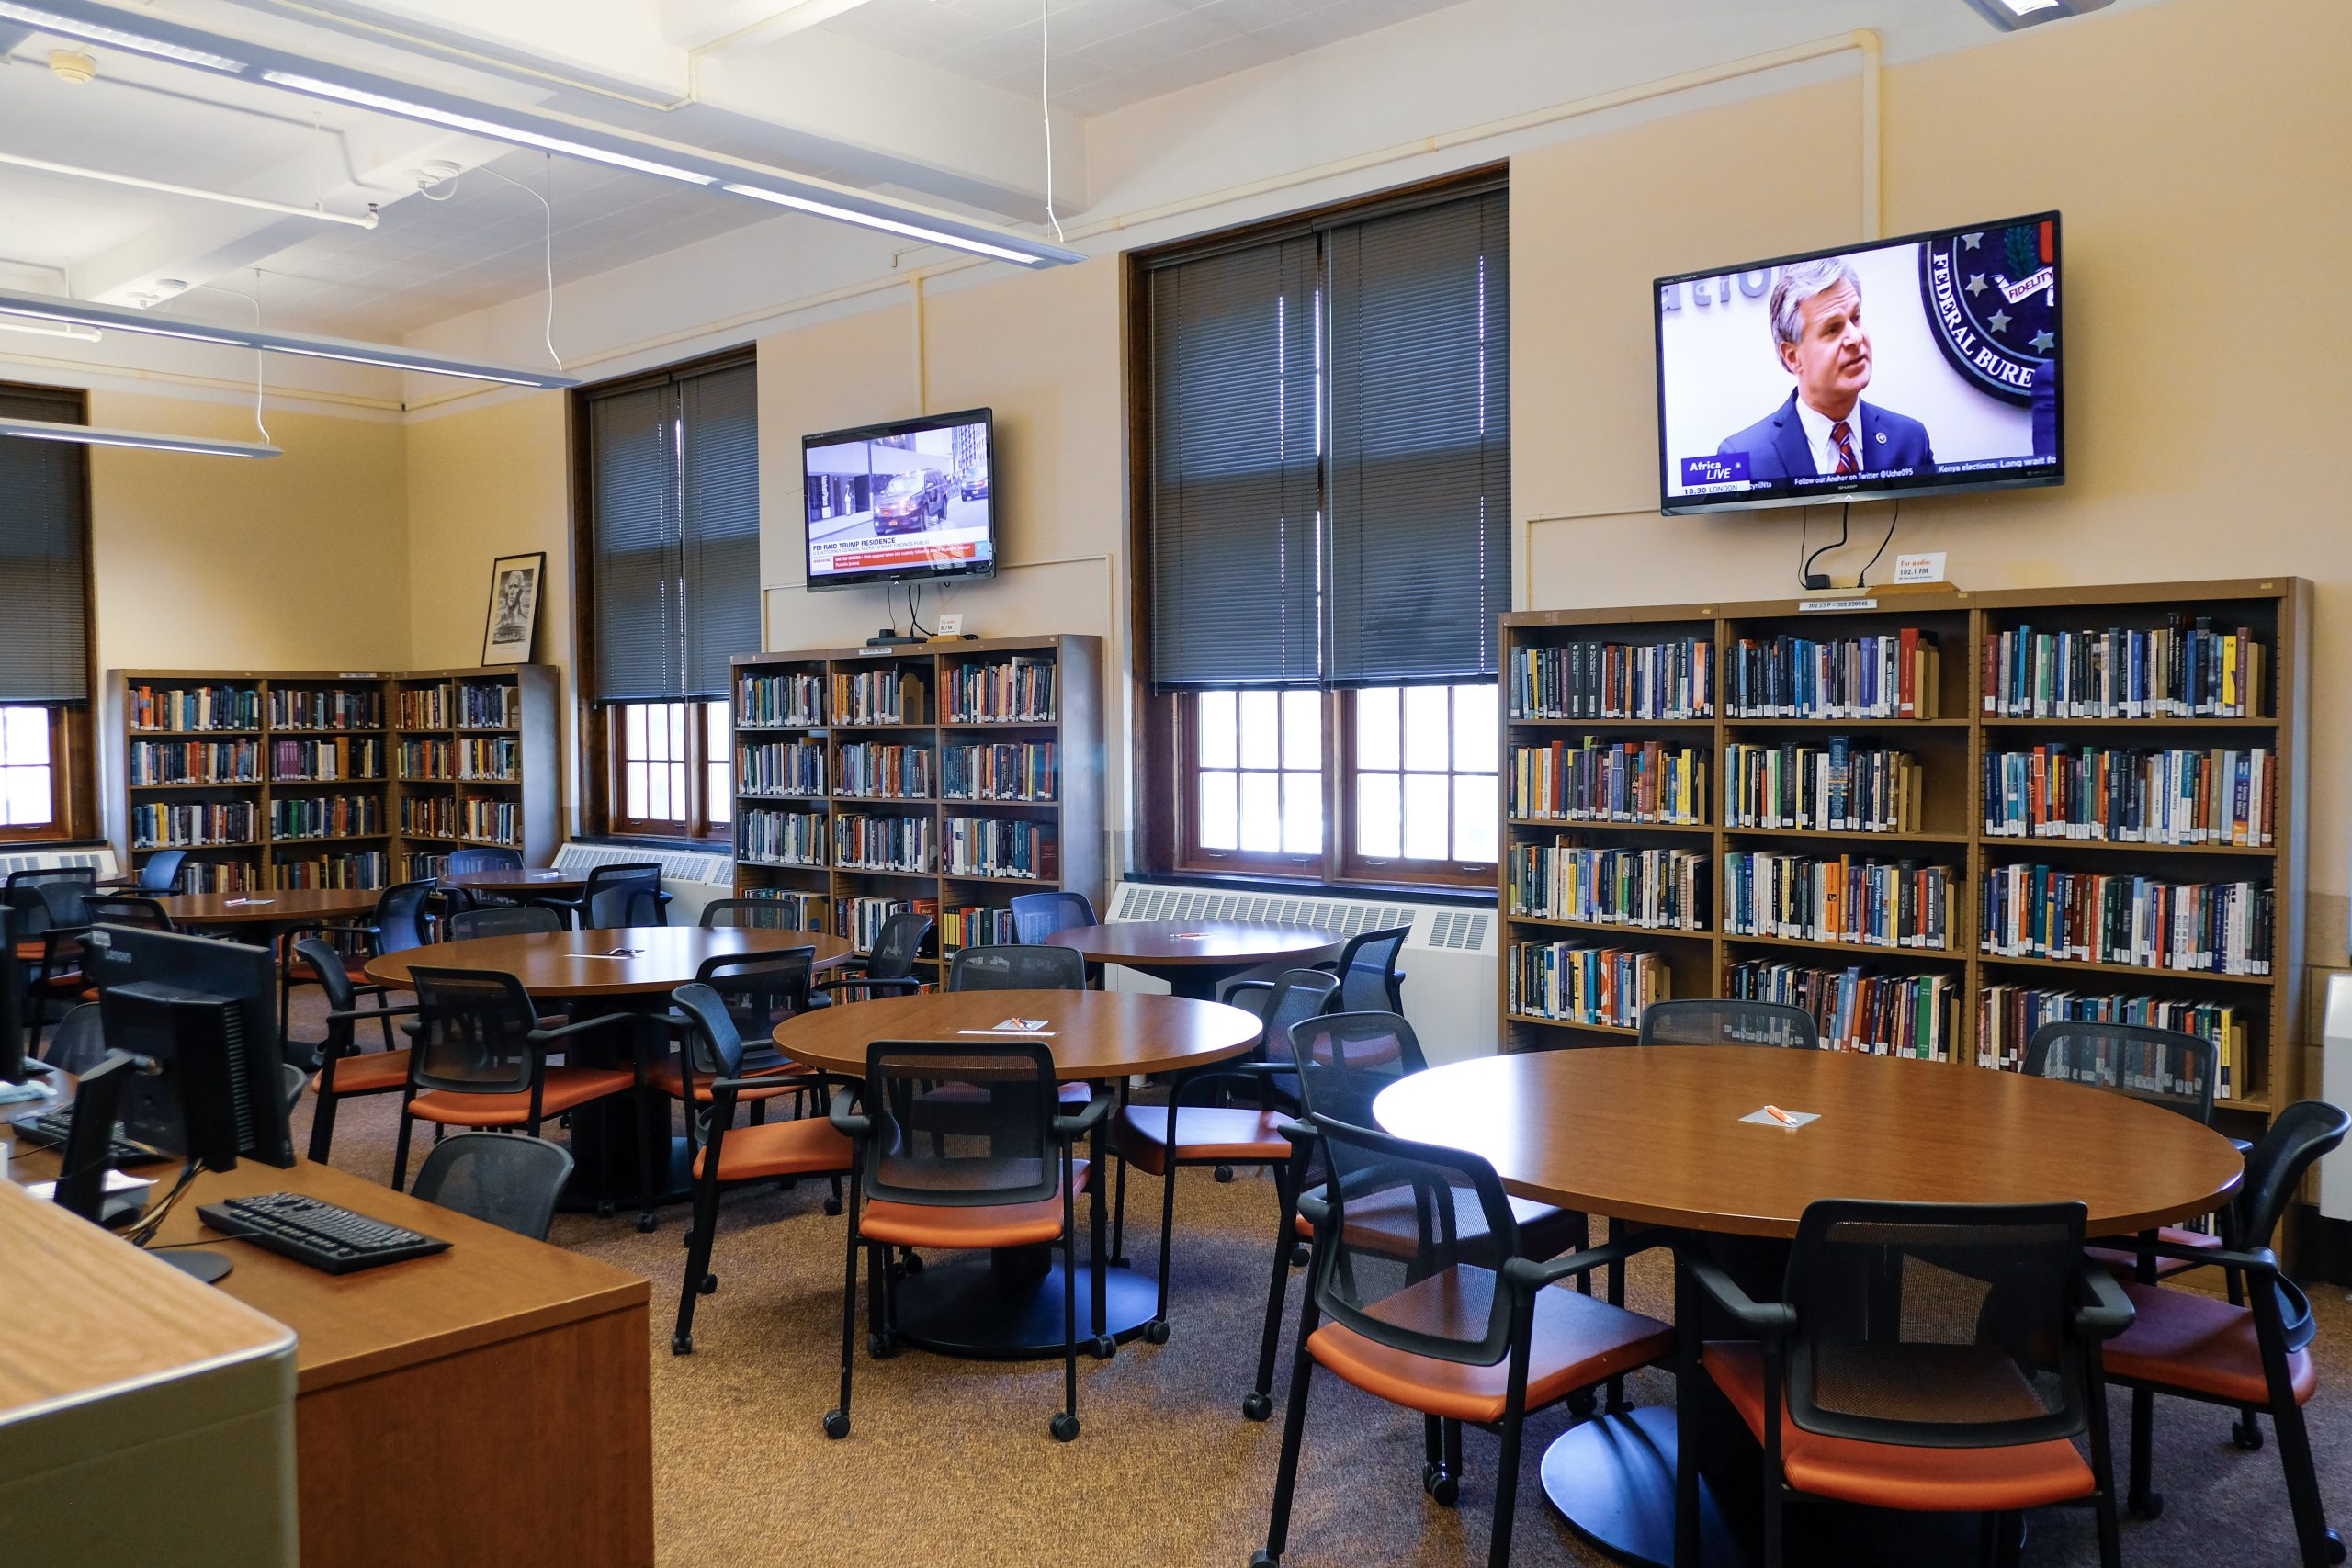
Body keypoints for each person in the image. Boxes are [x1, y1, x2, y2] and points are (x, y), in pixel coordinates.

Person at [1717, 258, 1934, 482]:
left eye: (1856, 318)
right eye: (1833, 329)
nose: (1856, 338)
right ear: (1792, 357)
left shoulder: (1911, 441)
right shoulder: (1743, 458)